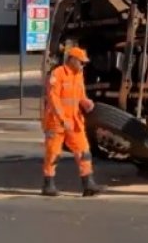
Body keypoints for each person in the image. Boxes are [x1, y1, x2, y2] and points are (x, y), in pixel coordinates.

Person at [41, 47, 106, 197]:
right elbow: (53, 99)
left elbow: (80, 96)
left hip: (74, 120)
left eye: (84, 63)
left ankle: (88, 184)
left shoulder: (79, 75)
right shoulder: (57, 74)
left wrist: (86, 103)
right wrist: (62, 119)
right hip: (56, 122)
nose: (83, 65)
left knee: (84, 152)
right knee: (53, 153)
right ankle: (48, 184)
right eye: (81, 62)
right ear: (72, 59)